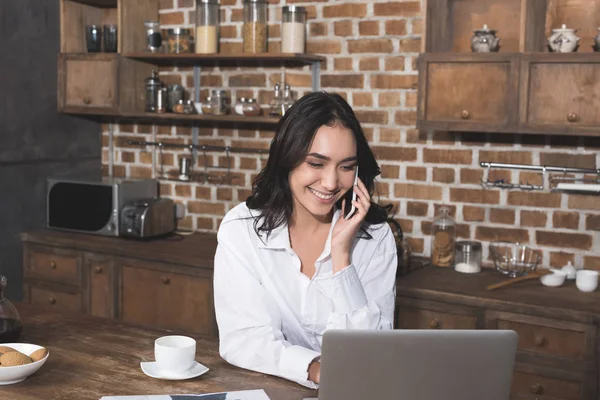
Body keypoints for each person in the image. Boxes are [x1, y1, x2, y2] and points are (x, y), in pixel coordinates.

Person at [213, 91, 397, 389]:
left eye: (347, 166)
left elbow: (370, 356)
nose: (331, 182)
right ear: (287, 159)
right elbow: (243, 338)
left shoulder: (375, 238)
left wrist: (341, 257)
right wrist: (314, 369)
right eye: (316, 163)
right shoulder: (242, 229)